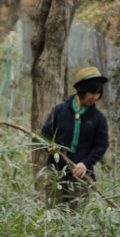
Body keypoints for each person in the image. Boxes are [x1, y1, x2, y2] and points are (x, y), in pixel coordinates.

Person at [41, 67, 110, 210]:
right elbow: (45, 133)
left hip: (82, 176)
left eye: (98, 93)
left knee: (78, 216)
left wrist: (85, 163)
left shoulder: (98, 118)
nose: (95, 97)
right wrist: (50, 147)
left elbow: (101, 145)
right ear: (80, 88)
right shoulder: (59, 111)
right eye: (92, 92)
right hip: (56, 172)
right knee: (54, 214)